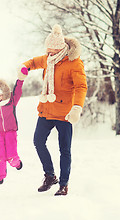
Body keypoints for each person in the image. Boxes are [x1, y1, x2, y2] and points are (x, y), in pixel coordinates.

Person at [22, 24, 87, 196]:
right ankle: (50, 176)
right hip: (46, 110)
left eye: (52, 51)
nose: (48, 54)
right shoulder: (48, 59)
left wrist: (77, 107)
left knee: (64, 150)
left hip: (65, 113)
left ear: (60, 49)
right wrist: (24, 68)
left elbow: (81, 87)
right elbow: (34, 62)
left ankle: (64, 184)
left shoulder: (74, 63)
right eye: (47, 51)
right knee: (38, 141)